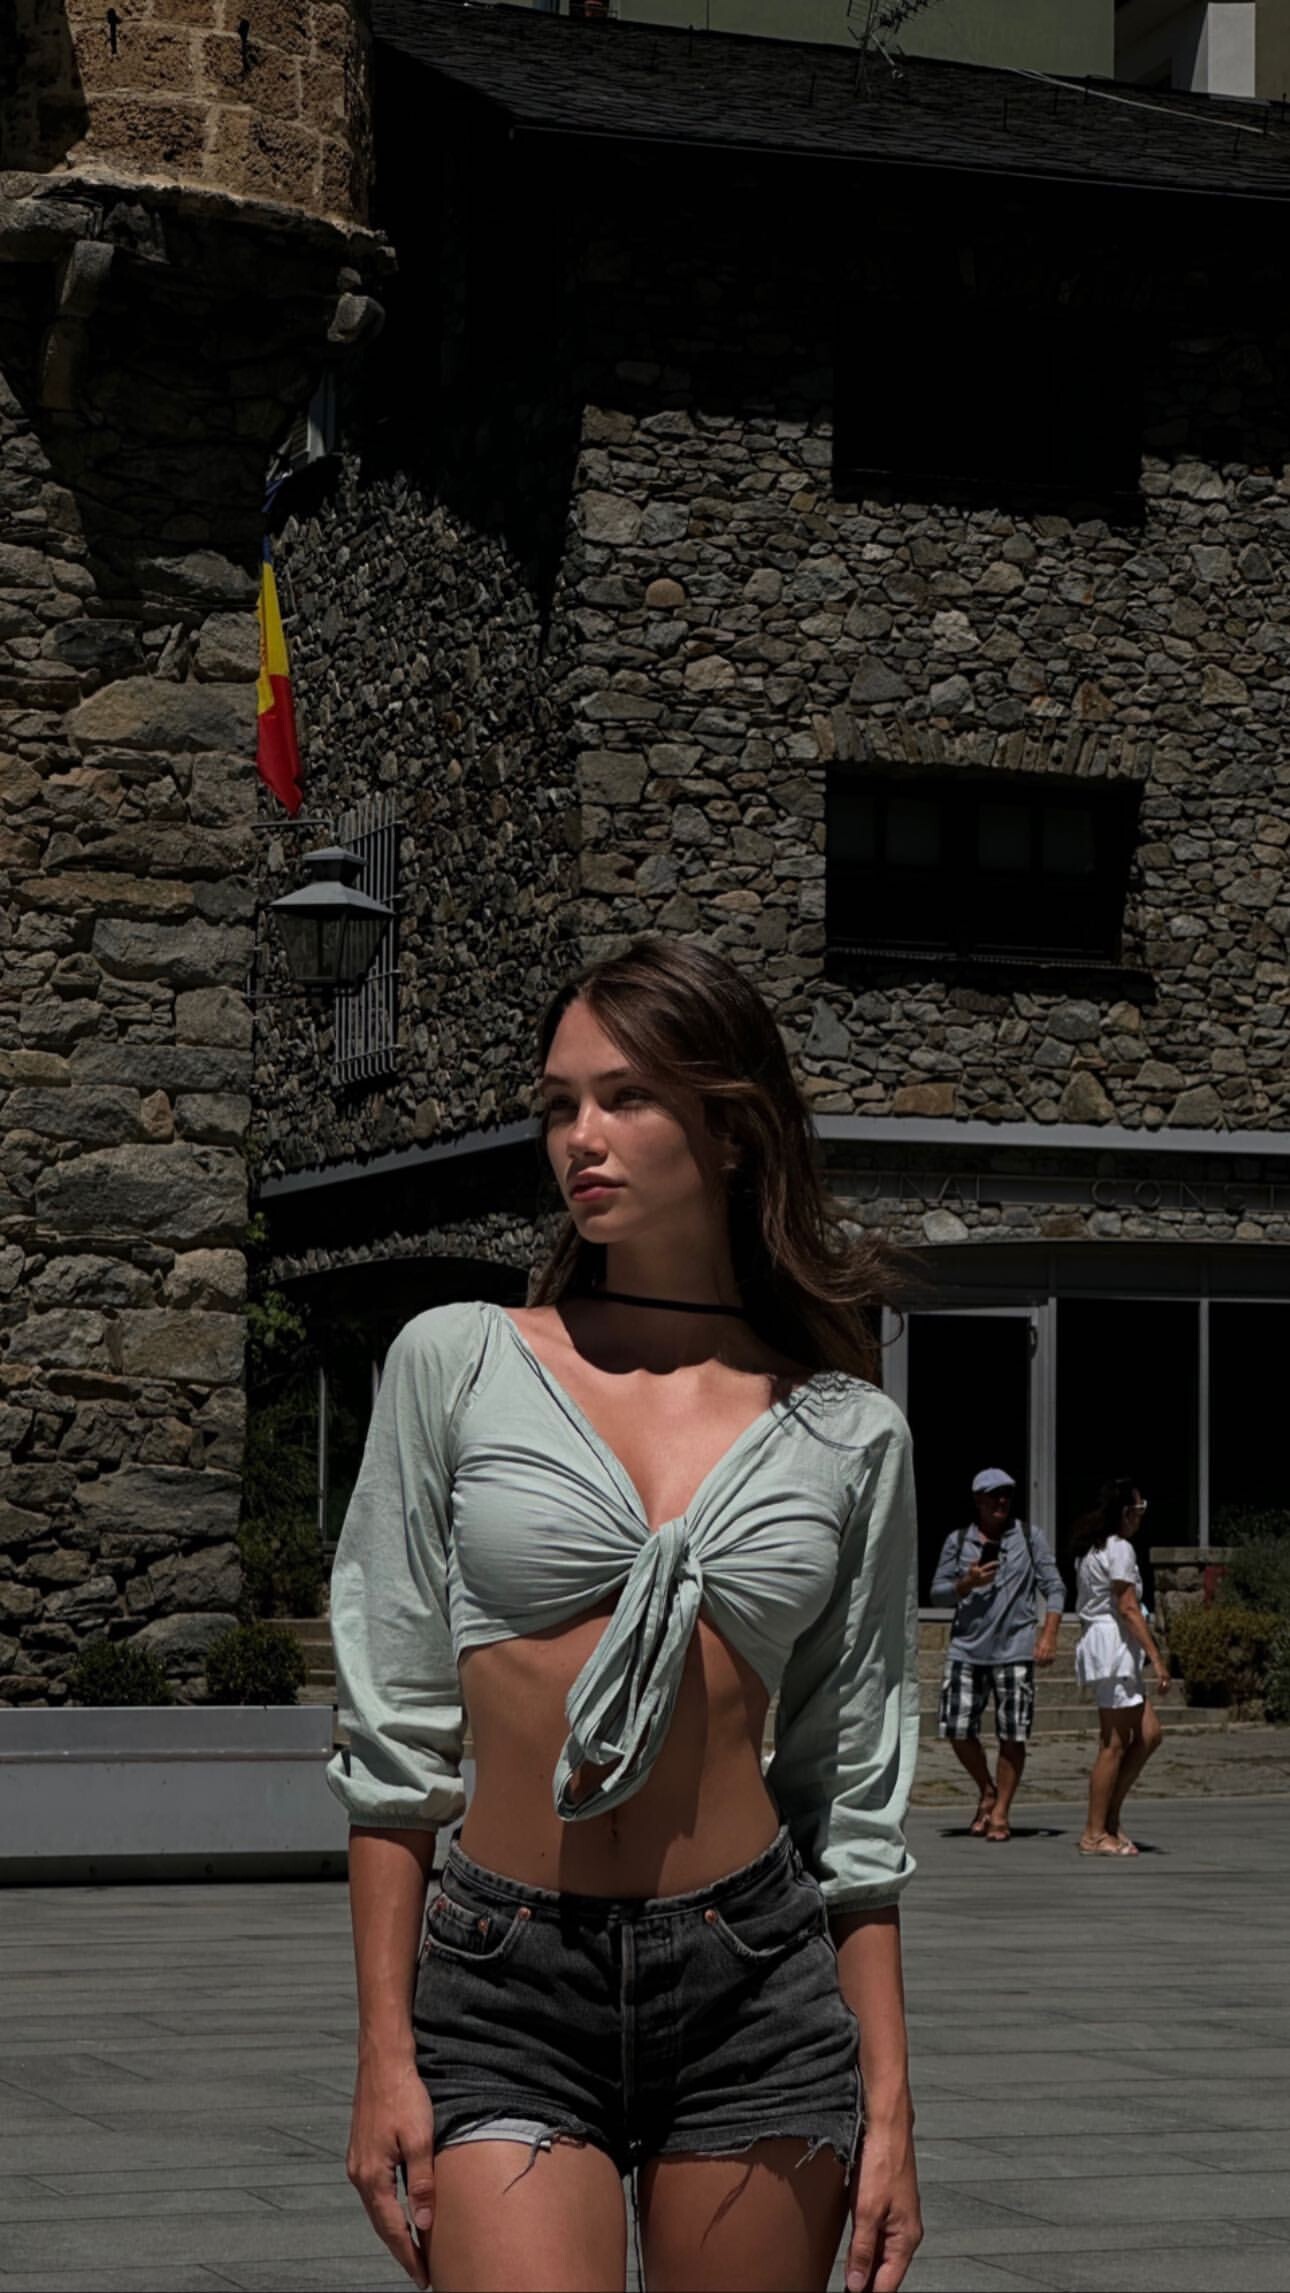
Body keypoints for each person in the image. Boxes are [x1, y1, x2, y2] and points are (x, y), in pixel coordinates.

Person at [327, 937, 924, 2293]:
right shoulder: (458, 1359)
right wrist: (382, 2052)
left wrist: (890, 2108)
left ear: (731, 1127)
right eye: (558, 1104)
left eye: (625, 1096)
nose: (579, 1137)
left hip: (757, 1980)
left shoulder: (846, 1431)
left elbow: (851, 1793)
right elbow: (393, 1736)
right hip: (504, 1974)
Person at [928, 1468, 1066, 1843]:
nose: (1000, 1501)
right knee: (956, 1728)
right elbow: (937, 1594)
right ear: (978, 1500)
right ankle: (986, 1789)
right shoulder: (958, 1541)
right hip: (967, 1649)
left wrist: (1049, 1634)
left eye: (1006, 1494)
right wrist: (967, 1583)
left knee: (1013, 1733)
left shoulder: (1030, 1537)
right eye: (992, 1495)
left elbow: (1055, 1587)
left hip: (1014, 1649)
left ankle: (1001, 1810)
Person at [1073, 1479, 1169, 1857]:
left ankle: (1110, 1817)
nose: (1141, 1518)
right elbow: (1127, 1606)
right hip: (1112, 1647)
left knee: (1149, 1733)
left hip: (1112, 1646)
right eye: (1139, 1510)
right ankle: (1094, 1832)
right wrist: (1156, 1657)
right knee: (1113, 1744)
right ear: (1126, 1513)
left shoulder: (1097, 1550)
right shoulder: (1119, 1549)